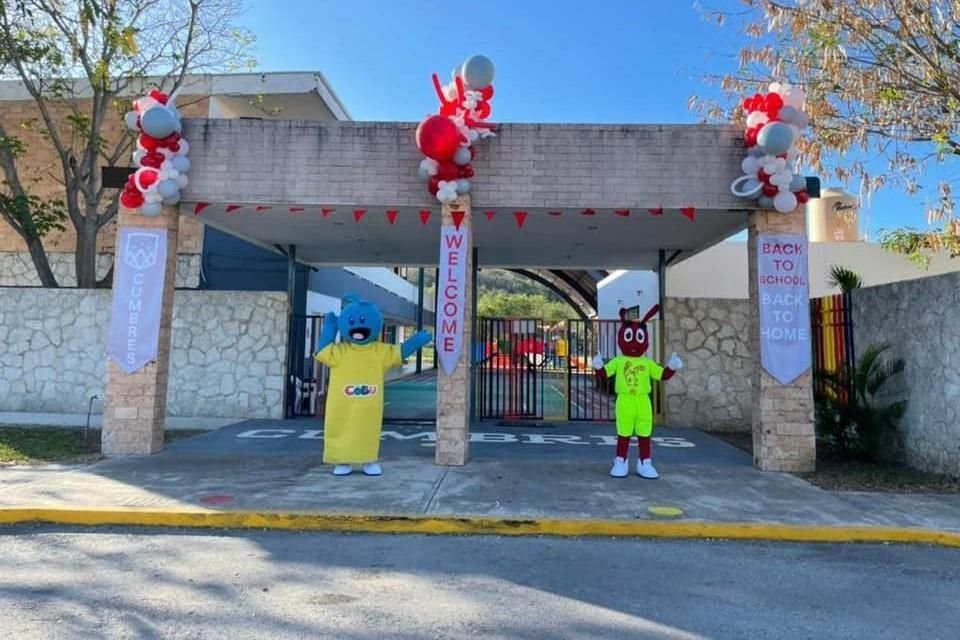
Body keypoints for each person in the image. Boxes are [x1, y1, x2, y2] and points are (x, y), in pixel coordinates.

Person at [315, 296, 432, 476]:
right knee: (340, 428)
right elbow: (323, 351)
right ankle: (342, 460)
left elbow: (399, 352)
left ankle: (368, 460)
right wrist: (330, 329)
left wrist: (416, 341)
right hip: (342, 405)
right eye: (352, 321)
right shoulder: (340, 351)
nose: (358, 327)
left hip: (368, 405)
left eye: (363, 321)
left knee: (367, 431)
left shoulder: (380, 351)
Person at [593, 305, 683, 479]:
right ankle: (621, 461)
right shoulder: (619, 361)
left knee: (644, 432)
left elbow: (661, 375)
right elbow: (605, 373)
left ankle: (645, 462)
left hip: (643, 401)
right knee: (624, 432)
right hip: (625, 400)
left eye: (639, 337)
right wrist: (598, 366)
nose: (634, 341)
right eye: (629, 336)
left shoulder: (647, 363)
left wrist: (671, 367)